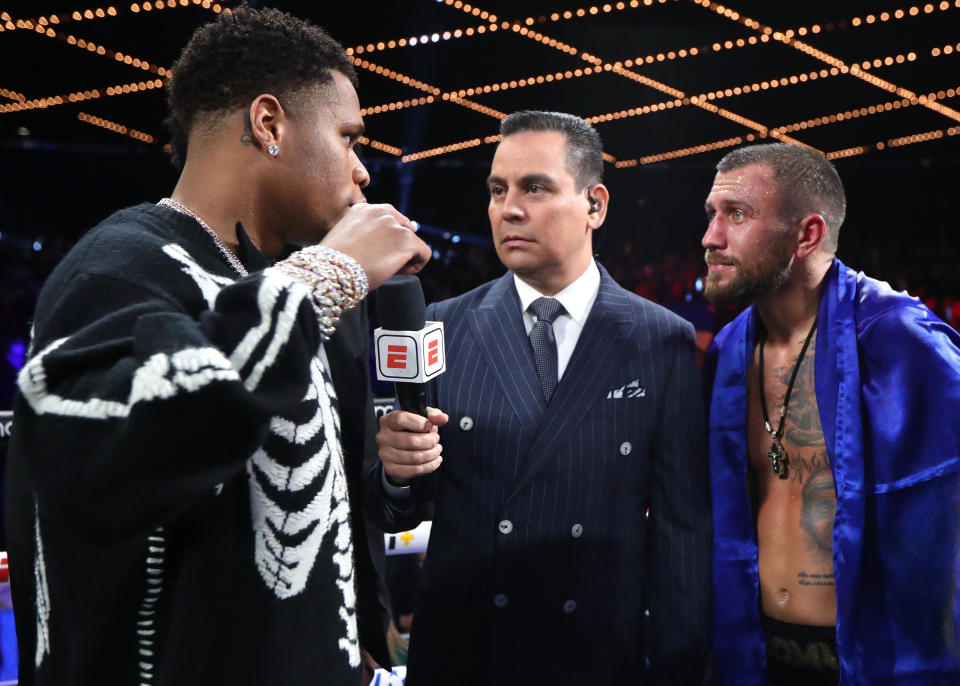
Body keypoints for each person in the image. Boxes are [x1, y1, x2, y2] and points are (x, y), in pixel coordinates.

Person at [5, 7, 431, 685]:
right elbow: (98, 469)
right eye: (348, 139)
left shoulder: (289, 290)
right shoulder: (119, 266)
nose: (363, 172)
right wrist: (324, 274)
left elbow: (331, 515)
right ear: (269, 124)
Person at [368, 111, 711, 684]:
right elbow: (396, 507)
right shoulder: (439, 328)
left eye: (535, 187)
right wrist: (395, 473)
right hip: (465, 654)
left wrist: (677, 667)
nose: (509, 209)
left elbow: (682, 534)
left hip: (596, 658)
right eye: (497, 190)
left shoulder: (661, 339)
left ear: (594, 206)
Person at [701, 143, 960, 685]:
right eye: (712, 215)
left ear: (808, 234)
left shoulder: (902, 341)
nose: (711, 238)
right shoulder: (727, 352)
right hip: (755, 658)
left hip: (872, 664)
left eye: (737, 215)